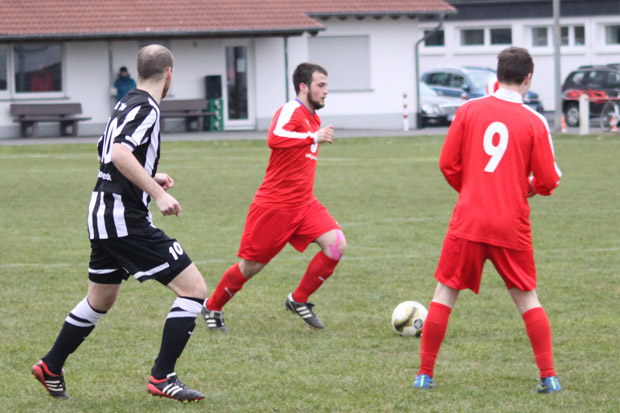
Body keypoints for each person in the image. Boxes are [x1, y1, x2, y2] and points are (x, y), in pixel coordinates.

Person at [32, 45, 207, 403]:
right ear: (169, 74)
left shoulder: (127, 101)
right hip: (123, 217)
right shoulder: (147, 108)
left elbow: (104, 149)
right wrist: (157, 195)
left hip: (102, 212)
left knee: (100, 299)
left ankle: (51, 366)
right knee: (194, 290)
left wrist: (150, 176)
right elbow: (118, 153)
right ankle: (163, 377)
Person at [414, 47, 562, 393]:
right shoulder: (535, 121)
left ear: (496, 76)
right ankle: (549, 377)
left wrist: (472, 191)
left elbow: (448, 164)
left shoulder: (468, 110)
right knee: (527, 297)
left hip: (470, 219)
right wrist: (526, 188)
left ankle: (425, 375)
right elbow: (549, 178)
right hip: (511, 222)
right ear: (528, 79)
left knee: (445, 292)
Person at [202, 62, 346, 332]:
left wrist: (312, 135)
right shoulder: (291, 110)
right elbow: (274, 137)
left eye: (326, 85)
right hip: (275, 206)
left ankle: (298, 299)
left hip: (305, 203)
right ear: (304, 87)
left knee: (336, 245)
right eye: (321, 85)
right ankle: (212, 305)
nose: (326, 91)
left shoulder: (313, 117)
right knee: (250, 267)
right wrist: (312, 137)